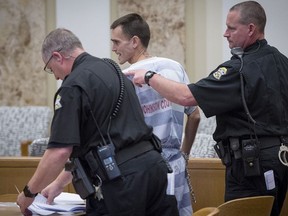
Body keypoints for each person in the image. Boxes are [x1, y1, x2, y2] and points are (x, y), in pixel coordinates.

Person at [126, 1, 288, 216]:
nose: (225, 34)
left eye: (231, 28)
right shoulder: (282, 62)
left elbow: (186, 97)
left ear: (251, 29)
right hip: (278, 161)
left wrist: (149, 77)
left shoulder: (237, 69)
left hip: (251, 166)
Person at [16, 28, 179, 216]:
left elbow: (59, 152)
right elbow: (93, 144)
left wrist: (29, 193)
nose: (56, 77)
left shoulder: (73, 86)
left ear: (57, 56)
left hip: (122, 182)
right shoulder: (112, 69)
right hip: (154, 169)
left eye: (51, 69)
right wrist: (59, 184)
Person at [110, 13, 200, 216]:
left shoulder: (124, 79)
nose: (113, 48)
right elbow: (195, 115)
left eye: (116, 42)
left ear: (134, 41)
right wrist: (183, 154)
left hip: (143, 171)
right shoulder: (175, 67)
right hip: (176, 164)